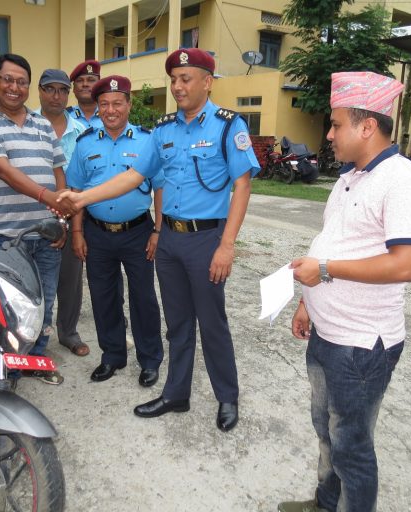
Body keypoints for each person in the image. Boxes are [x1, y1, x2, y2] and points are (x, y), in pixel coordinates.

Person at [59, 48, 259, 432]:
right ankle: (176, 393)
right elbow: (133, 176)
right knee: (177, 323)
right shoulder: (164, 130)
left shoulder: (227, 125)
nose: (177, 87)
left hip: (207, 239)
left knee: (212, 322)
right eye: (173, 80)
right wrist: (82, 198)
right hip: (169, 239)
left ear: (207, 82)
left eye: (185, 79)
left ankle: (227, 396)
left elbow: (242, 185)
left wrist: (227, 244)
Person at [278, 71, 411, 512]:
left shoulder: (403, 181)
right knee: (326, 430)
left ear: (367, 127)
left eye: (335, 124)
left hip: (362, 346)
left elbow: (405, 265)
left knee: (352, 447)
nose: (328, 135)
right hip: (327, 333)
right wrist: (308, 303)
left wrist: (324, 270)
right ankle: (326, 502)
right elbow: (334, 241)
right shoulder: (350, 177)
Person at [0, 54, 76, 385]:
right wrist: (47, 198)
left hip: (46, 234)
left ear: (29, 86)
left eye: (21, 82)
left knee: (43, 303)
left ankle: (36, 359)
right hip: (7, 236)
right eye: (8, 80)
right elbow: (3, 170)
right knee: (8, 306)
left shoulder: (43, 125)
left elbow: (58, 171)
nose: (14, 87)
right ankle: (9, 368)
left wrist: (61, 220)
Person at [67, 75, 164, 386]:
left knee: (143, 298)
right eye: (104, 104)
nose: (111, 110)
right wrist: (77, 233)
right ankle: (112, 355)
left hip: (138, 232)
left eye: (117, 103)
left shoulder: (147, 141)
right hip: (96, 233)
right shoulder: (85, 143)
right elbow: (75, 189)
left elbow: (160, 187)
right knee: (103, 297)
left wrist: (158, 231)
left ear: (129, 104)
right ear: (97, 107)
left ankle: (149, 359)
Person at [37, 68, 91, 358]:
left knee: (70, 279)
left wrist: (69, 218)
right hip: (33, 213)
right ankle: (33, 335)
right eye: (50, 89)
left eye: (62, 90)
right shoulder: (28, 124)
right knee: (32, 280)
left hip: (73, 214)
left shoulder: (82, 132)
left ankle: (68, 332)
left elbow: (86, 178)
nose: (56, 96)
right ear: (40, 91)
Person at [67, 60, 103, 130]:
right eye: (80, 80)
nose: (85, 84)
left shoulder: (110, 115)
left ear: (99, 86)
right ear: (74, 88)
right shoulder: (63, 117)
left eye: (91, 80)